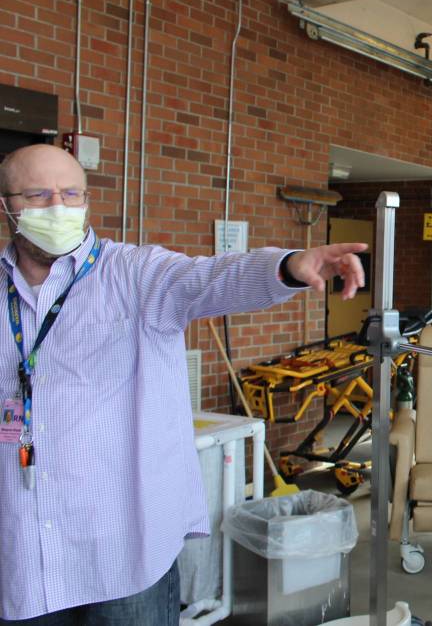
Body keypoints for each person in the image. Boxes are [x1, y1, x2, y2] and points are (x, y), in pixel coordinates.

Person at [0, 144, 367, 625]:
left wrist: (286, 267)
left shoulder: (132, 273)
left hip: (123, 550)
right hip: (26, 548)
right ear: (7, 206)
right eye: (38, 195)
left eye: (71, 194)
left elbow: (206, 278)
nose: (58, 207)